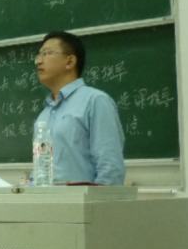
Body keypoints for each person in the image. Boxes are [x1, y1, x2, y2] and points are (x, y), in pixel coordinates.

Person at [34, 31, 125, 185]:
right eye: (38, 55)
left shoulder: (95, 101)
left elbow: (110, 166)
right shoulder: (44, 114)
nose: (38, 61)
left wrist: (100, 198)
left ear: (70, 61)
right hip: (48, 198)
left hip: (83, 199)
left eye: (47, 53)